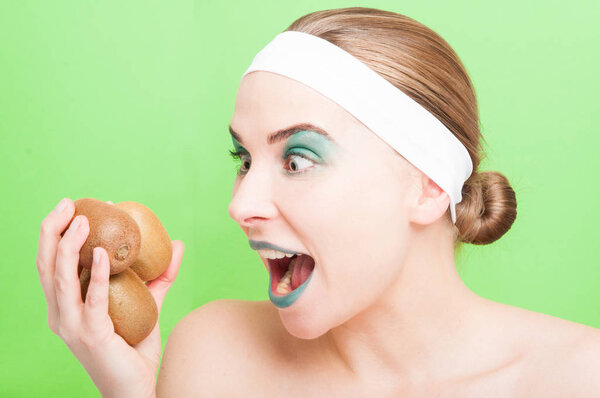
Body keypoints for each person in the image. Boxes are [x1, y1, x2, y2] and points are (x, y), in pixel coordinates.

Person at [36, 7, 600, 397]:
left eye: (297, 159)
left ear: (428, 184)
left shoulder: (578, 379)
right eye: (244, 159)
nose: (240, 205)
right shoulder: (213, 358)